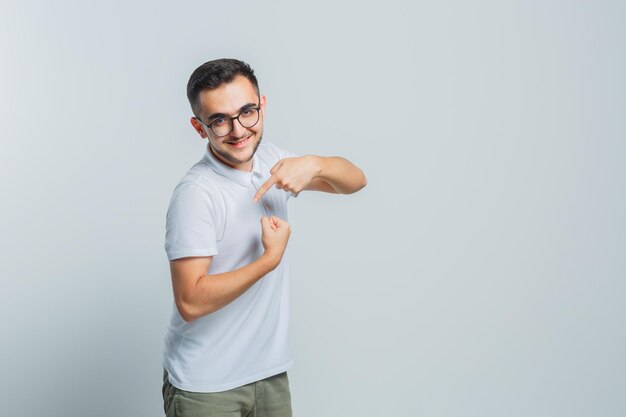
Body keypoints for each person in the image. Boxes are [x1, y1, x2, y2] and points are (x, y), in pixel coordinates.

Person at [161, 58, 367, 417]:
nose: (238, 130)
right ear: (199, 127)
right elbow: (190, 302)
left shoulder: (271, 159)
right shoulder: (197, 193)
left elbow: (355, 182)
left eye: (247, 112)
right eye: (220, 120)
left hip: (269, 374)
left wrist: (315, 163)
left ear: (262, 106)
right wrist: (268, 261)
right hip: (208, 387)